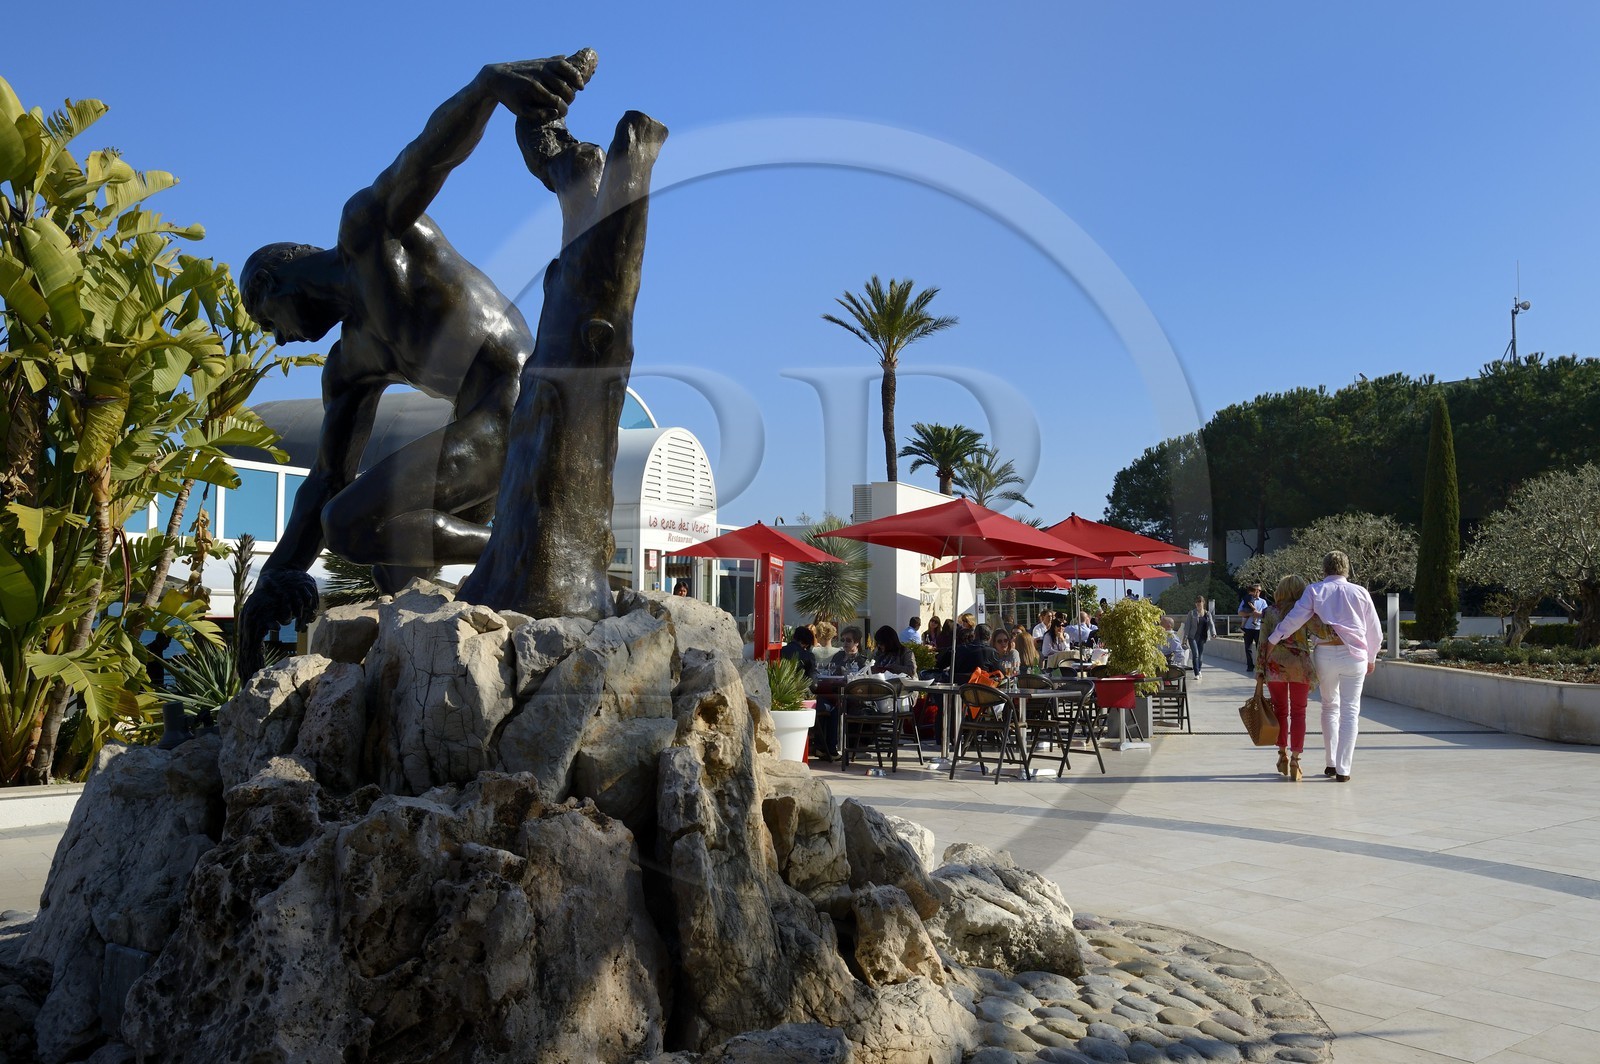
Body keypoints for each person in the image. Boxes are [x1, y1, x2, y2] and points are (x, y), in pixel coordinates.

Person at [236, 56, 592, 662]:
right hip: (480, 434)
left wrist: (485, 89)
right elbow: (325, 482)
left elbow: (427, 158)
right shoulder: (351, 361)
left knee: (350, 526)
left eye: (268, 321)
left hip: (523, 403)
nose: (281, 338)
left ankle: (531, 545)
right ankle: (435, 677)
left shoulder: (368, 237)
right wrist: (272, 580)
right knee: (392, 569)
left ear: (275, 284)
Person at [1267, 551, 1385, 783]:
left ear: (1324, 569)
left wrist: (1274, 639)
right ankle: (1343, 768)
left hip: (1325, 654)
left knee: (1330, 706)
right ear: (1347, 569)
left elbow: (1295, 619)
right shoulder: (1360, 592)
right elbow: (1375, 630)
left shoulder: (1315, 590)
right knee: (1350, 711)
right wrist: (1371, 656)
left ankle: (1330, 762)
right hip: (1355, 656)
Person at [1256, 574, 1316, 781]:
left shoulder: (1269, 612)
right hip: (1300, 666)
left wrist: (1259, 671)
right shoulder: (1306, 611)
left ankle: (1282, 755)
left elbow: (1263, 642)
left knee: (1280, 711)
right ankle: (1296, 760)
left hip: (1275, 666)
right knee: (1299, 713)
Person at [1184, 596, 1216, 679]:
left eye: (1200, 602)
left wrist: (1213, 633)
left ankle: (1199, 670)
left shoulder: (1207, 614)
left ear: (1203, 603)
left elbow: (1211, 624)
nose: (1198, 604)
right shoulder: (1191, 613)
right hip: (1192, 637)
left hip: (1203, 637)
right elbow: (1187, 626)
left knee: (1200, 656)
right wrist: (1185, 638)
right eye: (1197, 602)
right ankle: (1196, 673)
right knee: (1196, 654)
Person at [1238, 583, 1266, 671]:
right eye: (1256, 590)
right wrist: (1250, 614)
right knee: (1248, 648)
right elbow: (1240, 612)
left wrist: (1258, 614)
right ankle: (1250, 666)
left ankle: (1260, 666)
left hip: (1259, 628)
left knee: (1260, 648)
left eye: (1259, 590)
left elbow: (1266, 614)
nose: (1258, 592)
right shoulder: (1247, 599)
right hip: (1248, 628)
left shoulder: (1263, 602)